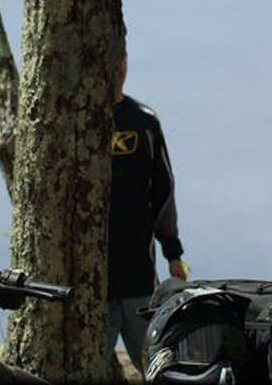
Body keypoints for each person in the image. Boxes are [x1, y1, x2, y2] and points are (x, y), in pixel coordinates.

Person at [106, 52, 188, 373]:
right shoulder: (79, 121)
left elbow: (163, 193)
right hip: (92, 284)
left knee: (157, 368)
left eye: (121, 58)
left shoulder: (144, 121)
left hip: (139, 281)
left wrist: (173, 254)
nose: (117, 66)